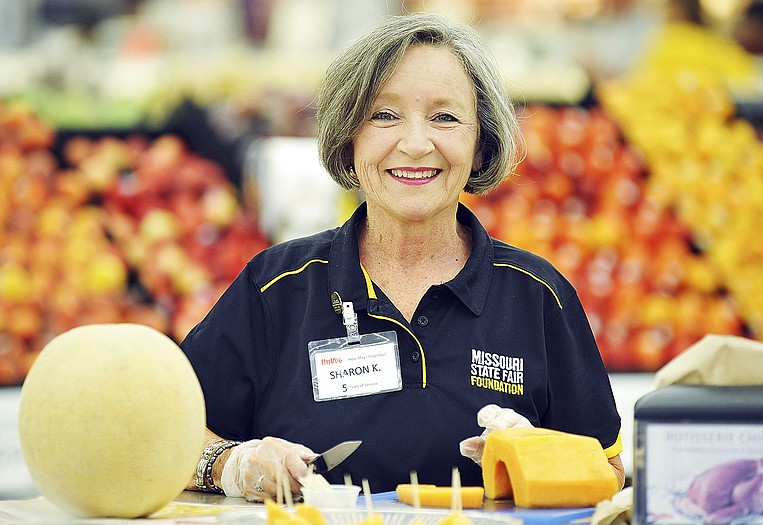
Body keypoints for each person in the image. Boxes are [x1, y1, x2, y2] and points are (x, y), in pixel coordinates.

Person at [181, 11, 624, 502]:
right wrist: (227, 464)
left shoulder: (538, 296)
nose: (415, 144)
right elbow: (164, 431)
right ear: (350, 139)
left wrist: (542, 456)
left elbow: (608, 472)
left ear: (480, 146)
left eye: (446, 117)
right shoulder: (277, 287)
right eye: (384, 115)